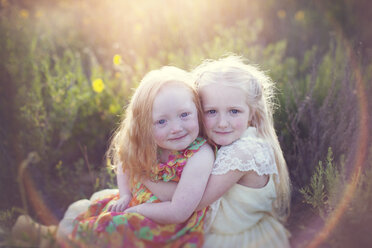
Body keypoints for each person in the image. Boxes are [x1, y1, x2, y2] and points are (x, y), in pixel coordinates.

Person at [12, 66, 215, 248]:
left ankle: (47, 237)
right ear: (145, 126)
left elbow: (179, 211)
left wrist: (139, 210)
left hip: (169, 226)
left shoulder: (200, 155)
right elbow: (126, 161)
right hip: (138, 205)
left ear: (197, 111)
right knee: (99, 217)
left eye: (184, 115)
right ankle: (44, 236)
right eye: (161, 122)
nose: (176, 128)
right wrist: (125, 194)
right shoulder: (152, 144)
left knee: (111, 229)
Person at [141, 55, 291, 248]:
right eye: (211, 111)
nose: (222, 123)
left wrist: (142, 176)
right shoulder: (220, 142)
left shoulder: (244, 151)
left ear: (251, 113)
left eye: (234, 111)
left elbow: (189, 202)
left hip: (237, 240)